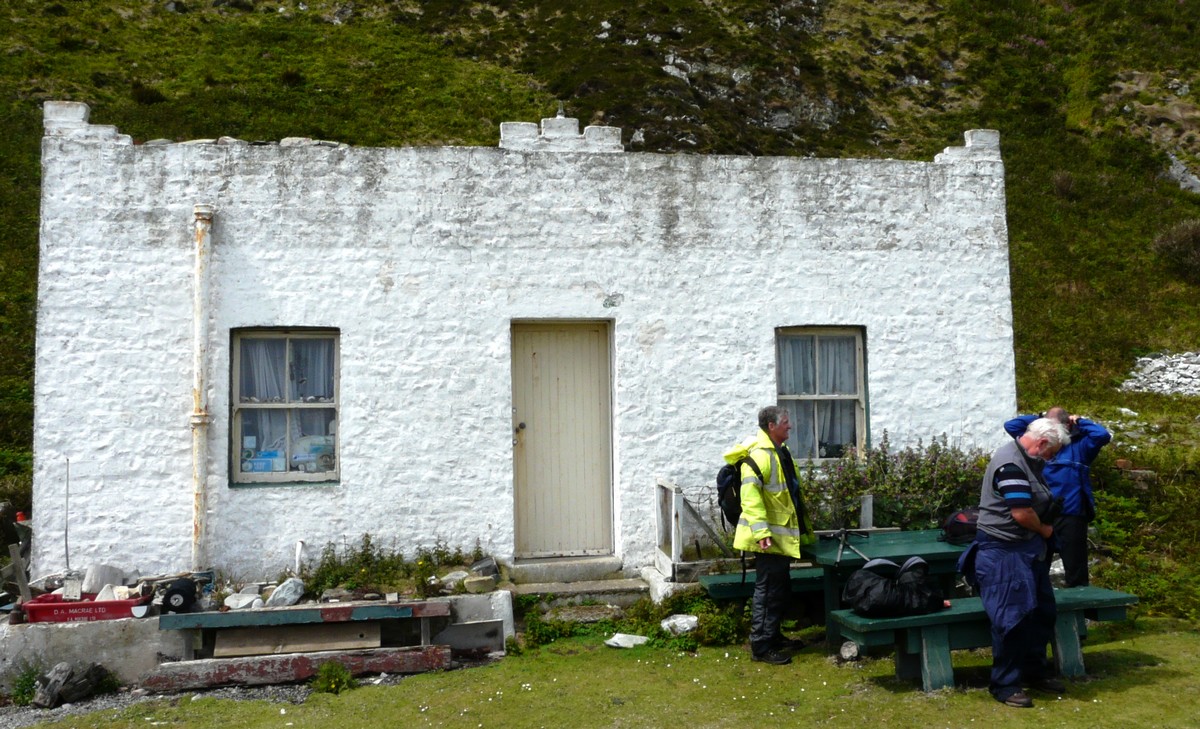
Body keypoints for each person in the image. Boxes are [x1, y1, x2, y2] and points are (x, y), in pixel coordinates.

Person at [959, 417, 1071, 708]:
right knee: (1013, 619)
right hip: (1003, 553)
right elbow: (1021, 513)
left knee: (1042, 613)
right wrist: (1046, 530)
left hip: (1026, 550)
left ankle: (1034, 672)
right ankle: (1005, 685)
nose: (1053, 458)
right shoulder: (1011, 464)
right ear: (1043, 442)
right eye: (1052, 451)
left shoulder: (1028, 459)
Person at [722, 405, 817, 665]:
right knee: (767, 591)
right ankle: (762, 647)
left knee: (778, 588)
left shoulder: (779, 452)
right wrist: (762, 533)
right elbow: (750, 498)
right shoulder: (761, 456)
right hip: (768, 539)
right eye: (785, 422)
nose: (790, 426)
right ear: (771, 426)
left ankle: (773, 637)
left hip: (778, 537)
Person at [1004, 407, 1112, 586]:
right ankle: (1038, 605)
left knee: (1075, 568)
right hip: (1041, 514)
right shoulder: (1038, 443)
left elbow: (1102, 435)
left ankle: (1082, 609)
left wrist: (1079, 421)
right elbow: (1011, 426)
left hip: (1072, 514)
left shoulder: (1080, 446)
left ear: (1067, 426)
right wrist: (1041, 418)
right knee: (1038, 565)